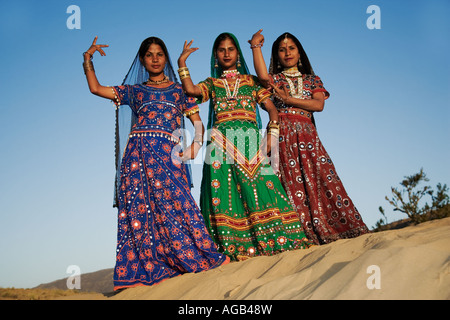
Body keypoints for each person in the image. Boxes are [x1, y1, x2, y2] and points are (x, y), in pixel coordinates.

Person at [82, 36, 229, 291]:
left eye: (159, 54)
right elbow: (96, 89)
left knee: (180, 205)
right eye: (149, 55)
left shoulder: (178, 90)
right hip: (136, 158)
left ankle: (196, 257)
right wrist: (88, 60)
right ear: (142, 60)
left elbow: (197, 122)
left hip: (169, 157)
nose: (154, 59)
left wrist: (196, 143)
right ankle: (144, 270)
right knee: (139, 211)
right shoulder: (134, 91)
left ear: (165, 57)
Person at [177, 32, 311, 261]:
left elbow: (271, 109)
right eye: (222, 50)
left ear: (238, 53)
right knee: (224, 195)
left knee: (264, 189)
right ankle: (234, 247)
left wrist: (272, 133)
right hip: (219, 143)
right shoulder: (212, 84)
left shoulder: (251, 81)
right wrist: (182, 63)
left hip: (250, 142)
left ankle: (280, 239)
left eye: (231, 49)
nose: (227, 53)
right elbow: (191, 91)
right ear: (216, 56)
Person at [249, 30, 369, 245]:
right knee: (286, 182)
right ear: (276, 56)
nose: (287, 53)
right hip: (282, 135)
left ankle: (339, 229)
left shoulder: (312, 79)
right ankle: (298, 235)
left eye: (291, 48)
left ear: (300, 52)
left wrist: (288, 98)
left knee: (322, 179)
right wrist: (256, 47)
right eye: (282, 50)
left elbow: (318, 104)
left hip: (308, 137)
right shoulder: (274, 80)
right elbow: (262, 77)